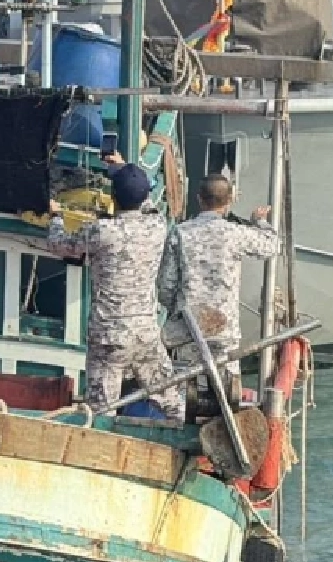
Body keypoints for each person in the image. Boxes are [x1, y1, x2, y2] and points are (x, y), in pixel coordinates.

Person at [46, 156, 184, 417]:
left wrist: (55, 216)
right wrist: (123, 169)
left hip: (109, 335)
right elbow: (146, 201)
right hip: (145, 332)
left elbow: (60, 245)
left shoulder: (102, 231)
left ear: (113, 198)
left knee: (100, 411)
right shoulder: (157, 226)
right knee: (169, 398)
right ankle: (183, 440)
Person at [157, 174, 281, 368]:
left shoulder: (180, 232)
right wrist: (259, 221)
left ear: (199, 198)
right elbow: (272, 246)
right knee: (226, 384)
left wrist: (176, 310)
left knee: (187, 384)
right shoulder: (234, 233)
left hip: (189, 327)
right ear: (229, 201)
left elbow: (165, 285)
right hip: (225, 327)